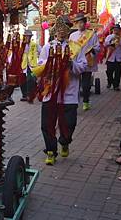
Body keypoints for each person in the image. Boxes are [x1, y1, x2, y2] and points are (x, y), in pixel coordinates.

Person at [35, 15, 88, 165]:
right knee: (47, 124)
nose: (61, 31)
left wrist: (71, 65)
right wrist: (51, 64)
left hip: (69, 92)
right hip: (51, 92)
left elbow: (83, 66)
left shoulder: (75, 47)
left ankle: (65, 141)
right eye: (58, 28)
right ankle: (51, 151)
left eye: (64, 27)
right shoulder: (48, 47)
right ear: (54, 30)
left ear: (68, 30)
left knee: (69, 124)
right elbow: (40, 64)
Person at [69, 12, 100, 111]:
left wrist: (92, 51)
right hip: (76, 63)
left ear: (85, 23)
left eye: (81, 22)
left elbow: (97, 47)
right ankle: (75, 102)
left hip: (87, 62)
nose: (80, 25)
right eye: (78, 23)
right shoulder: (72, 36)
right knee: (75, 84)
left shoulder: (92, 35)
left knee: (86, 84)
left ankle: (86, 101)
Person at [104, 24, 121, 91]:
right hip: (110, 57)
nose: (116, 31)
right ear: (113, 30)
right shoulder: (109, 36)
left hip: (119, 58)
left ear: (119, 30)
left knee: (118, 73)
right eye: (115, 29)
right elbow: (105, 44)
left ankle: (116, 86)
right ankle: (110, 82)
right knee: (109, 72)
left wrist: (119, 41)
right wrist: (111, 41)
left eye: (117, 29)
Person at [19, 30, 41, 102]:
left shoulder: (35, 45)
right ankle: (24, 95)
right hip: (23, 64)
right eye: (26, 36)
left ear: (31, 37)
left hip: (32, 65)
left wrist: (40, 62)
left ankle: (30, 95)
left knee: (31, 79)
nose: (27, 38)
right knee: (22, 81)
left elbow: (41, 52)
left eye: (28, 36)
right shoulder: (21, 45)